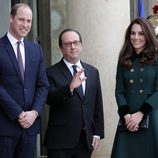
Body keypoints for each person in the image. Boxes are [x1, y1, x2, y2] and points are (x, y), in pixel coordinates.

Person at [44, 28, 104, 158]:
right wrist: (70, 87)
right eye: (68, 44)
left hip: (85, 141)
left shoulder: (93, 72)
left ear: (81, 45)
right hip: (60, 142)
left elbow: (97, 105)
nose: (73, 47)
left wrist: (97, 133)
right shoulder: (50, 72)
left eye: (76, 42)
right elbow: (49, 98)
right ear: (61, 47)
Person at [0, 3, 49, 158]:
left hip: (30, 127)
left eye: (29, 21)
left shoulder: (36, 49)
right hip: (4, 127)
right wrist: (18, 113)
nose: (25, 25)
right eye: (21, 20)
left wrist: (34, 113)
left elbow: (43, 85)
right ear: (11, 18)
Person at [111, 18, 158, 158]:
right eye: (133, 33)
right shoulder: (124, 58)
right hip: (128, 120)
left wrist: (141, 114)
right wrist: (126, 116)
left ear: (148, 35)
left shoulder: (156, 58)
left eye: (141, 34)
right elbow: (119, 91)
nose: (136, 37)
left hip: (151, 117)